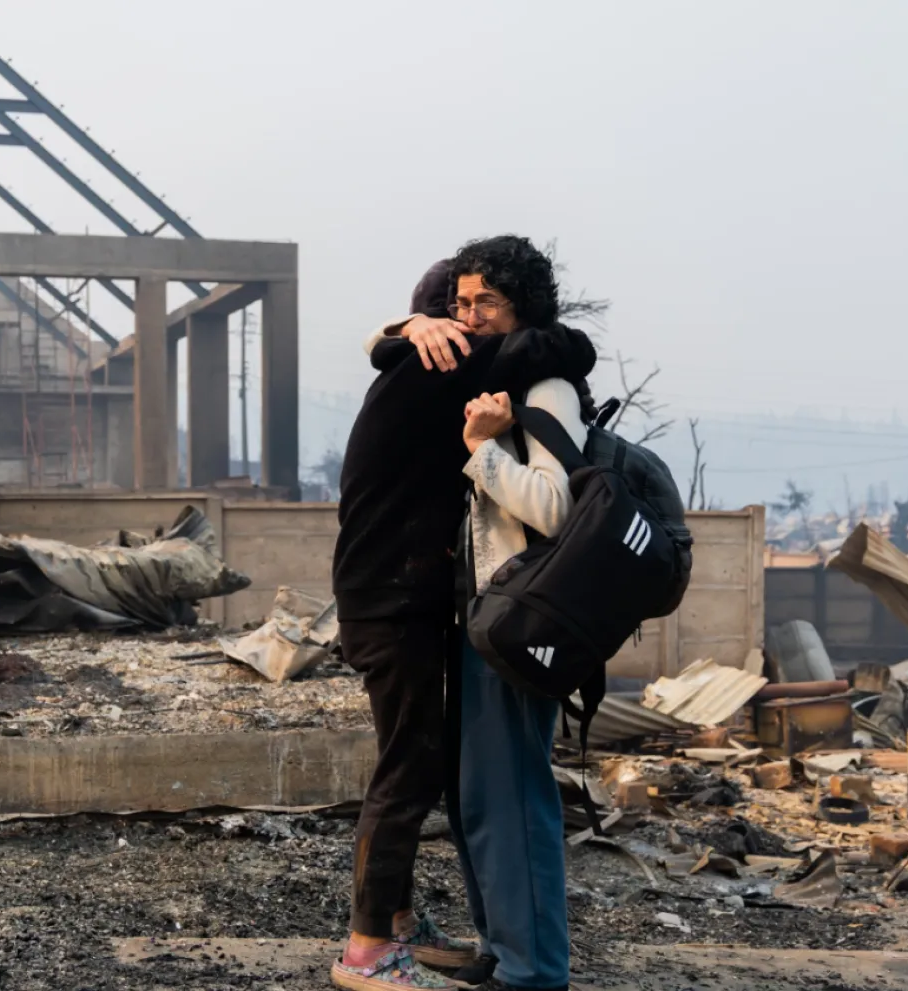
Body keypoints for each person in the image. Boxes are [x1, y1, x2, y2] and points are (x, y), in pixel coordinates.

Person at [331, 243, 595, 991]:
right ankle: (367, 951)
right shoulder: (449, 364)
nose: (468, 320)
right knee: (410, 768)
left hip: (400, 596)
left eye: (482, 305)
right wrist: (411, 330)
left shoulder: (420, 362)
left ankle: (400, 924)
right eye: (457, 307)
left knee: (423, 762)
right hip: (394, 600)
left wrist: (401, 327)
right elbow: (565, 347)